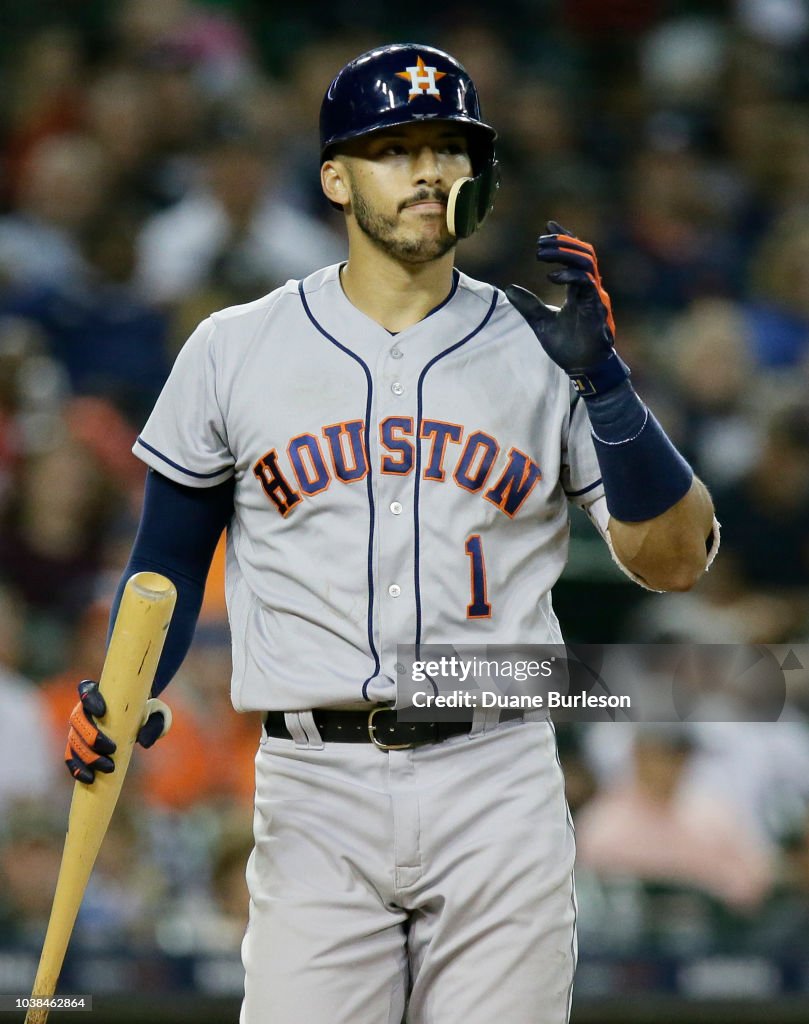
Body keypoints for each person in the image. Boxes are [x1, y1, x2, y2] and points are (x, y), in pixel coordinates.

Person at [63, 43, 718, 1024]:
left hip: (495, 777)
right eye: (392, 148)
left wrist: (610, 391)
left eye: (449, 149)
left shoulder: (547, 348)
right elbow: (163, 562)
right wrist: (119, 698)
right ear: (334, 176)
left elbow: (671, 561)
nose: (425, 172)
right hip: (311, 782)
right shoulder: (235, 347)